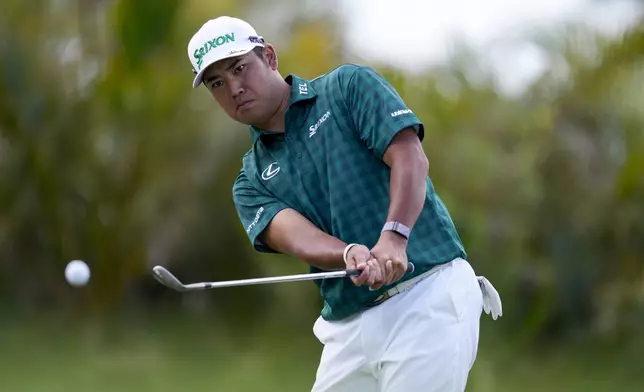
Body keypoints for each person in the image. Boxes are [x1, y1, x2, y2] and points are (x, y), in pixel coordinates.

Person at [186, 16, 502, 392]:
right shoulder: (250, 180)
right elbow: (298, 237)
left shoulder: (347, 88)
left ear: (269, 57)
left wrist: (395, 236)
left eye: (240, 68)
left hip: (427, 294)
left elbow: (409, 158)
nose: (234, 88)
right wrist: (349, 252)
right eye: (217, 83)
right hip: (348, 327)